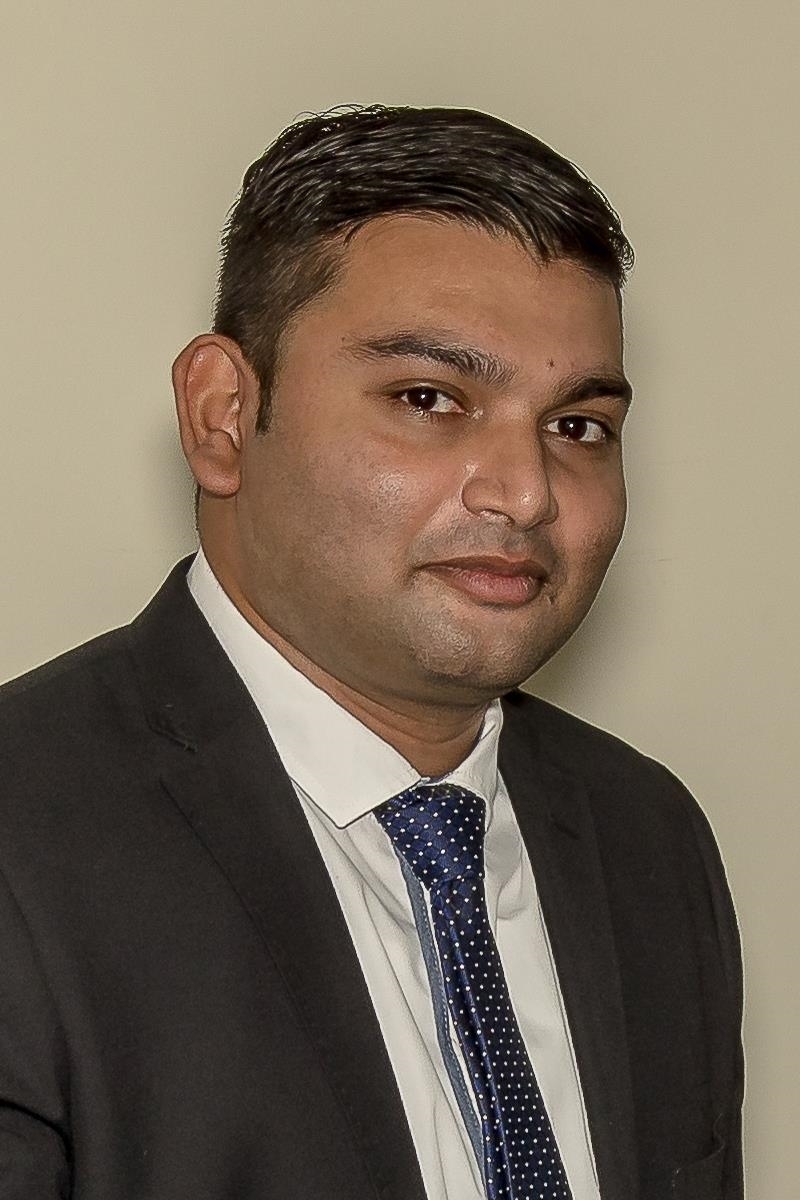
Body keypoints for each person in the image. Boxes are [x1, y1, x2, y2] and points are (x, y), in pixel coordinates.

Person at [0, 105, 743, 1200]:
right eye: (428, 400)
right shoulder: (25, 837)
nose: (526, 493)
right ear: (221, 416)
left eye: (576, 426)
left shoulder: (648, 839)